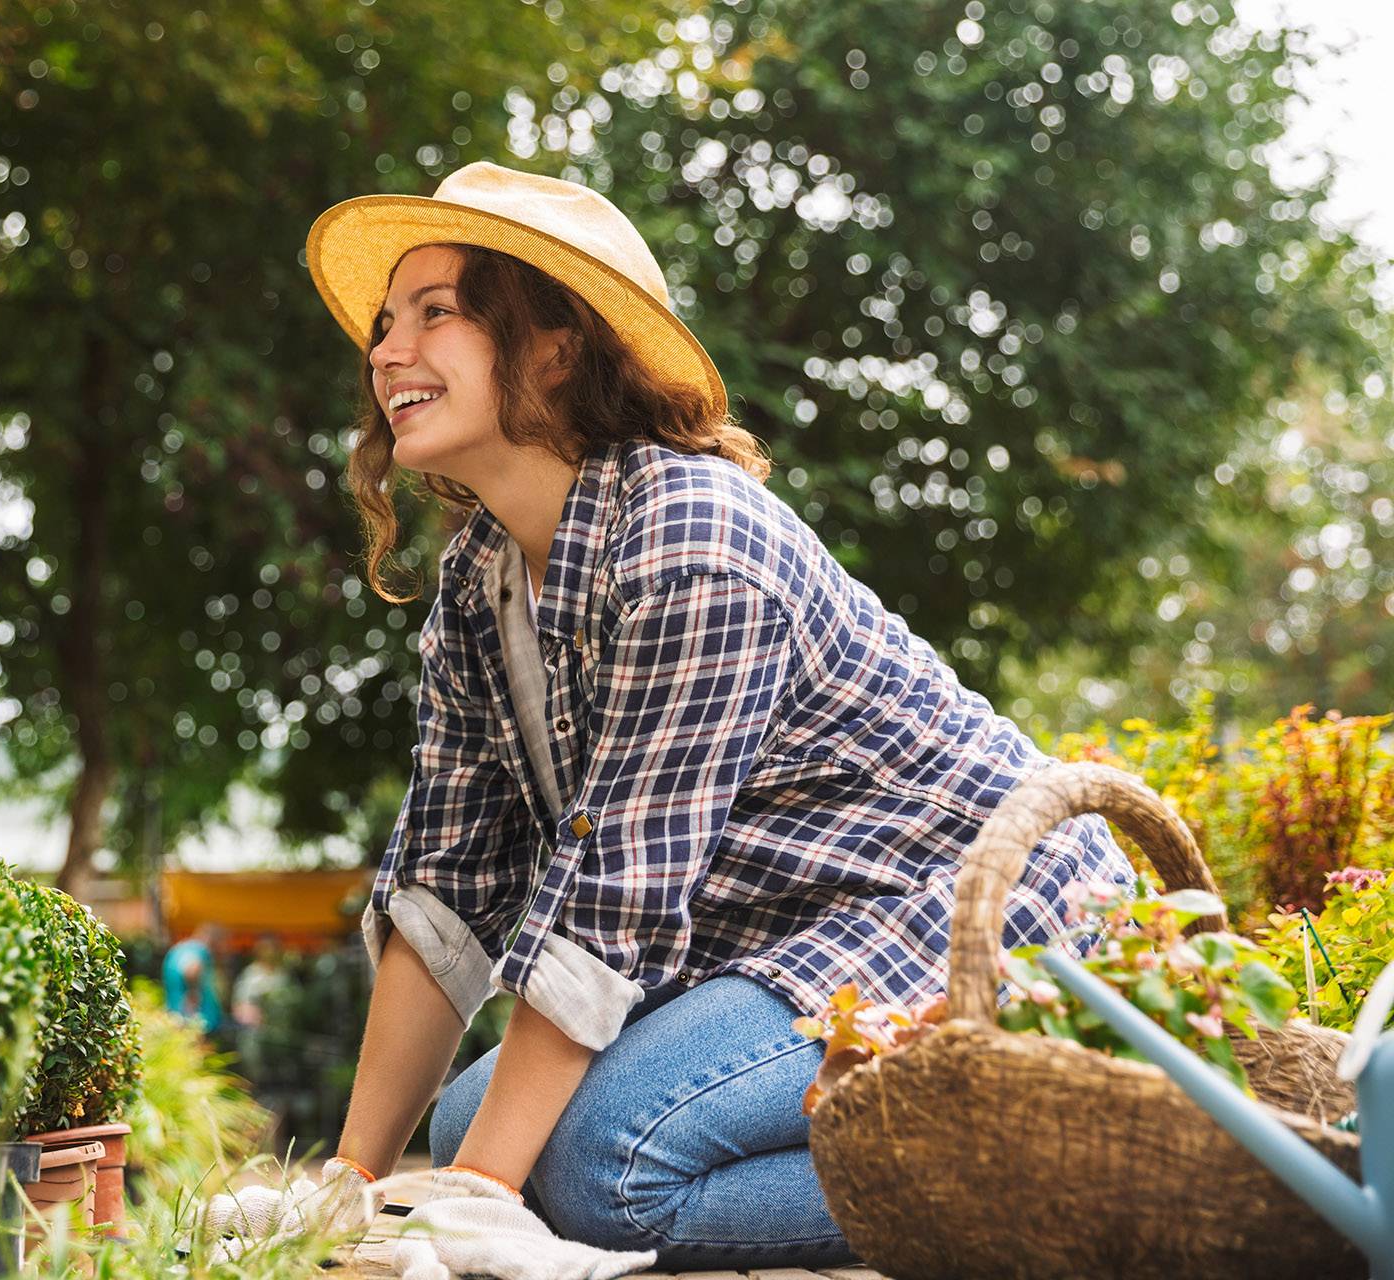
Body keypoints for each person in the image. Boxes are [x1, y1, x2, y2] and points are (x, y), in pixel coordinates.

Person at [207, 161, 1134, 1276]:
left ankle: (1060, 1177)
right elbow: (447, 886)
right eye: (384, 323)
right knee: (461, 1131)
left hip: (975, 909)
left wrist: (478, 1200)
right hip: (797, 944)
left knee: (599, 1165)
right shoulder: (481, 583)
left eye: (435, 312)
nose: (386, 351)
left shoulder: (691, 540)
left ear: (556, 345)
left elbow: (617, 893)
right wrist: (354, 1183)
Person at [161, 924, 225, 1037]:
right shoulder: (200, 949)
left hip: (177, 1017)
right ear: (214, 940)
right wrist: (193, 994)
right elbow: (191, 970)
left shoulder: (178, 949)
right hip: (199, 1022)